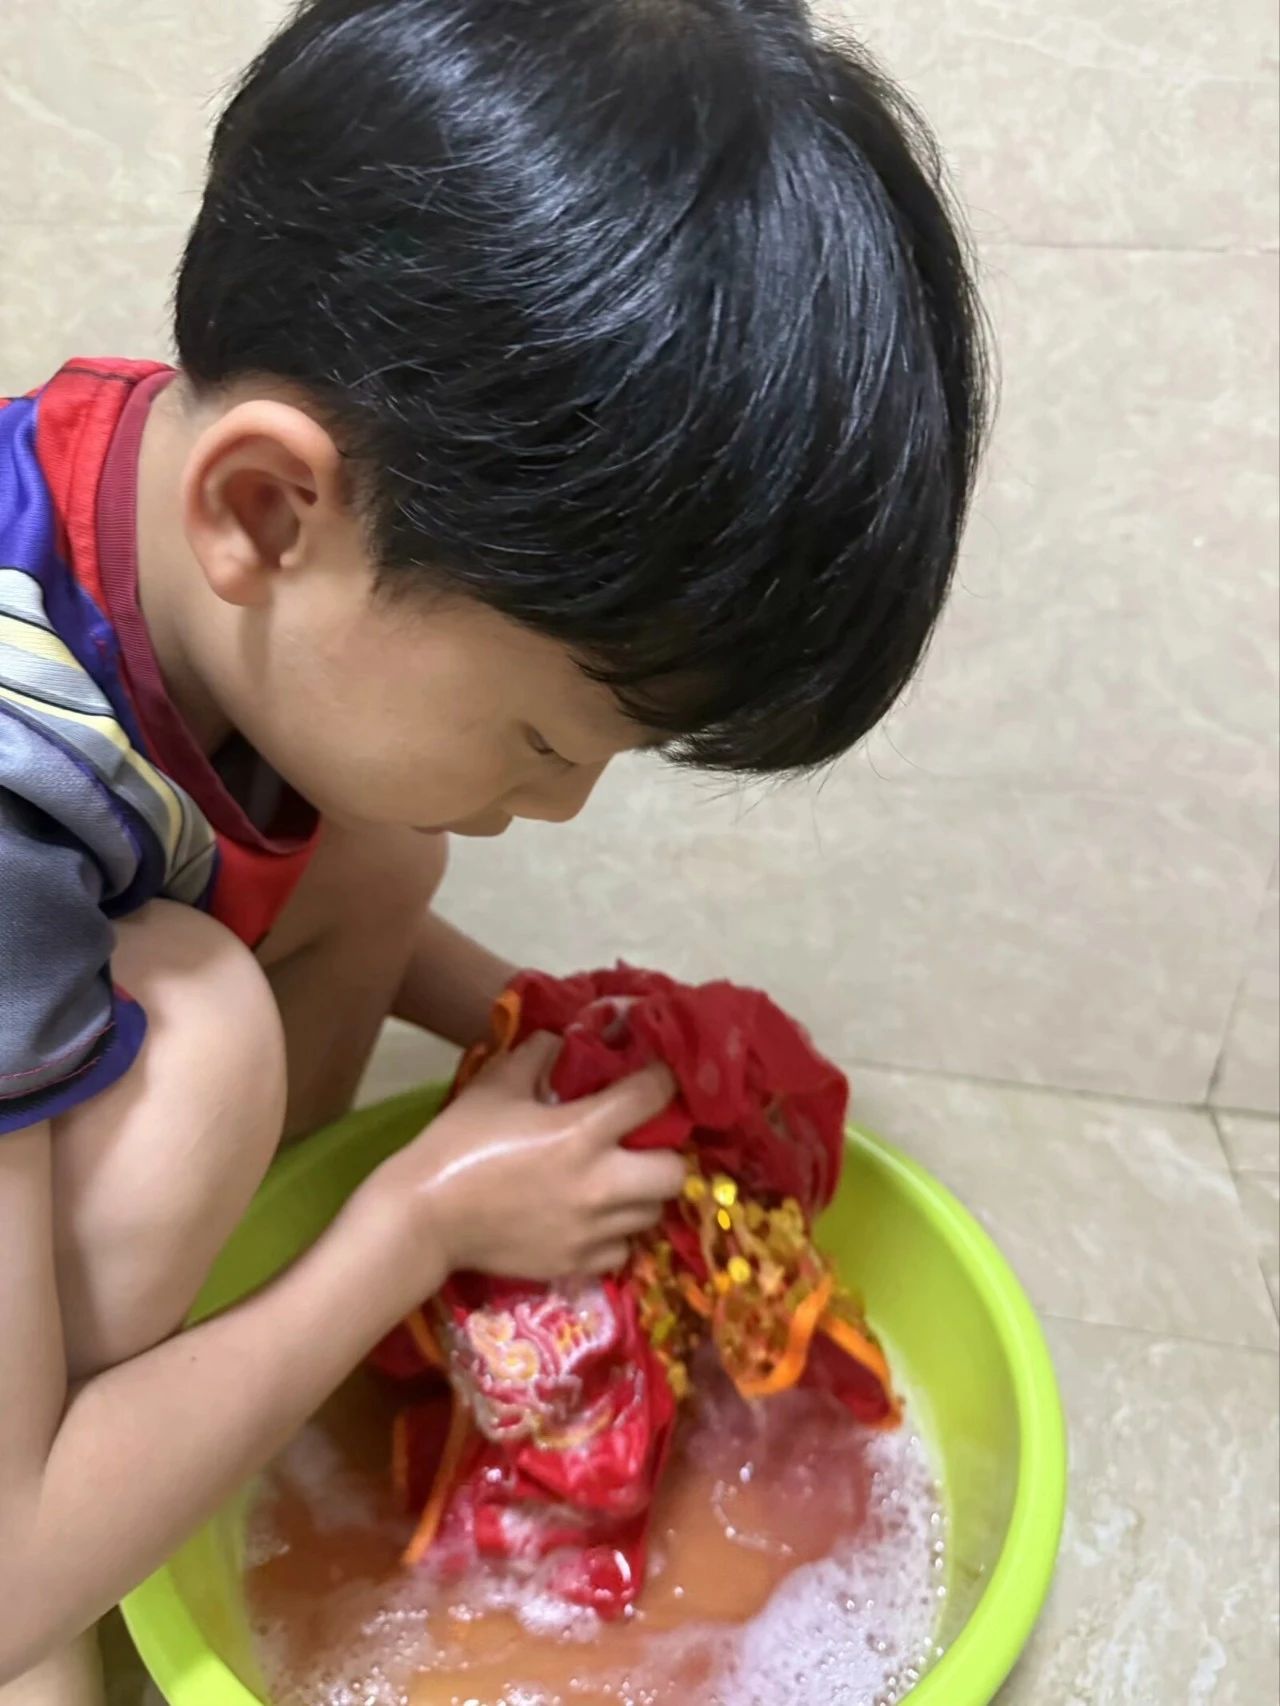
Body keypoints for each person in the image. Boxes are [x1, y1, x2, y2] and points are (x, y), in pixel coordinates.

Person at [0, 0, 988, 1699]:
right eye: (542, 741)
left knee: (380, 852)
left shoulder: (177, 495)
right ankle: (88, 1450)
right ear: (266, 509)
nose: (563, 803)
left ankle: (191, 1361)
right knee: (209, 1044)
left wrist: (551, 1027)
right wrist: (412, 1226)